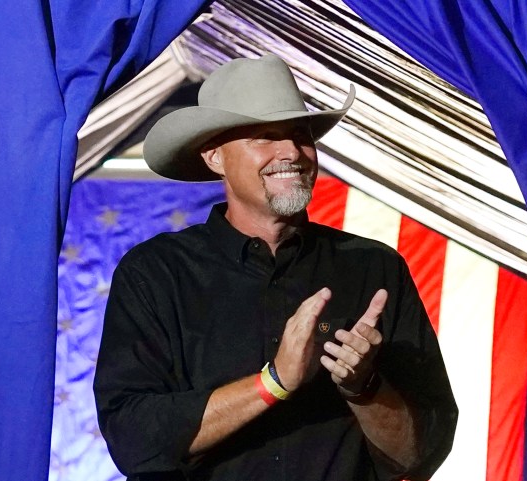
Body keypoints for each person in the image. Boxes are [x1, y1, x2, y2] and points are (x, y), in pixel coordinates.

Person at [94, 53, 457, 481]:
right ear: (214, 157)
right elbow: (133, 438)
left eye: (301, 135)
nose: (292, 152)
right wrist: (274, 381)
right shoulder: (155, 274)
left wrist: (365, 387)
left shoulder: (373, 268)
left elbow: (421, 453)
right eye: (265, 137)